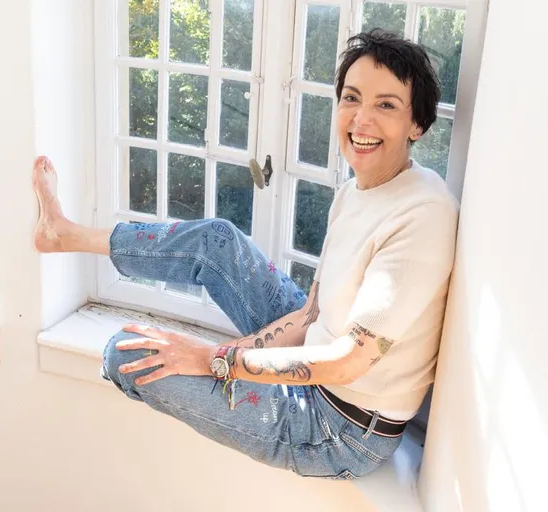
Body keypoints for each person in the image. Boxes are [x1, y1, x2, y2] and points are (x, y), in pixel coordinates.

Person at [32, 30, 458, 480]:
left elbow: (349, 361)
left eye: (386, 105)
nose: (362, 120)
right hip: (320, 357)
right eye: (352, 98)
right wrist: (225, 356)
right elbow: (311, 313)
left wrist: (211, 360)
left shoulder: (422, 217)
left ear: (418, 125)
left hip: (341, 428)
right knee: (217, 239)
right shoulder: (356, 190)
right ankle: (63, 234)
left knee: (125, 354)